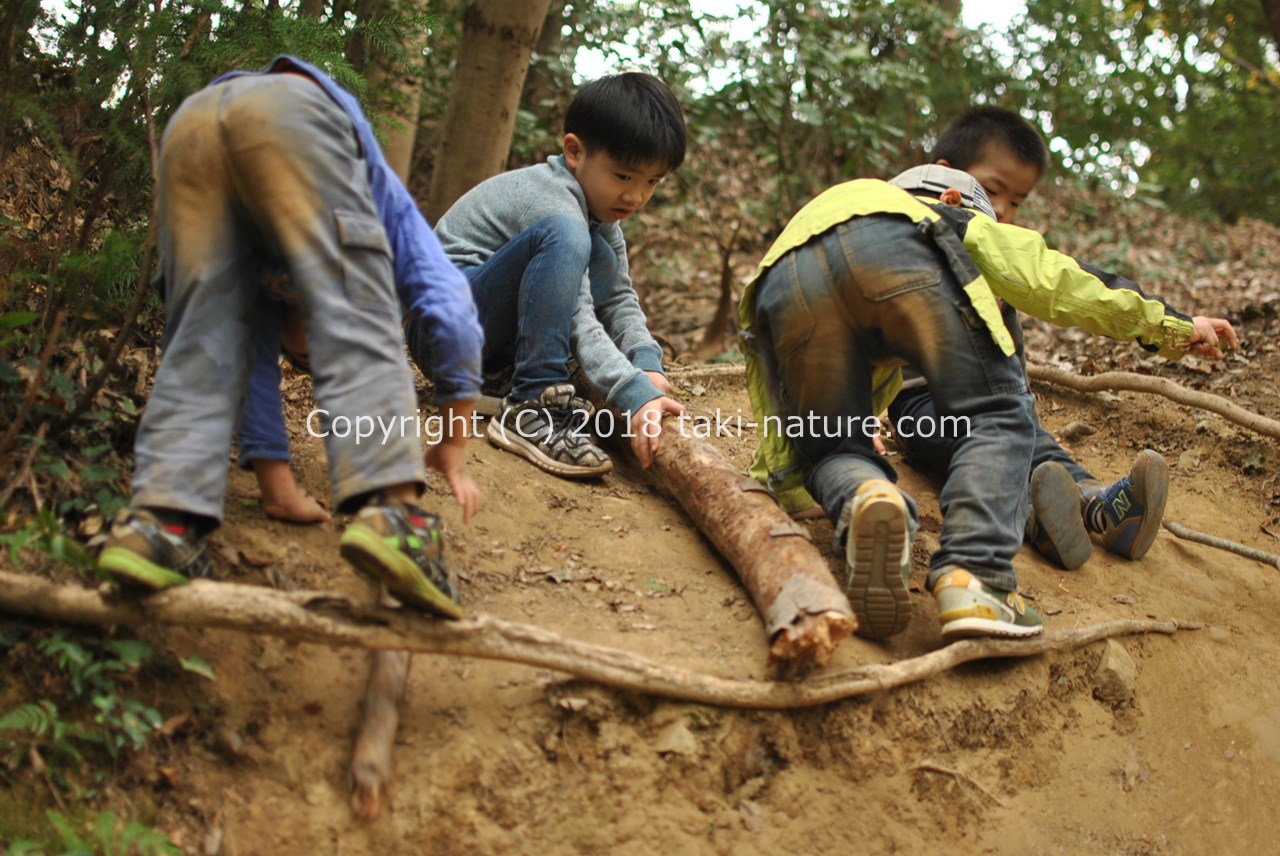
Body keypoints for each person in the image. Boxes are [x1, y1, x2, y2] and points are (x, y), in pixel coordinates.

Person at [739, 164, 1236, 642]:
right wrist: (1167, 325)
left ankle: (869, 497)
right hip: (896, 257)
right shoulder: (938, 216)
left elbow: (781, 390)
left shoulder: (833, 214)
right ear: (954, 201)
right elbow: (1053, 278)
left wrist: (790, 484)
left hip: (779, 275)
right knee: (997, 414)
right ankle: (975, 575)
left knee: (833, 449)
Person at [96, 56, 484, 619]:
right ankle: (396, 518)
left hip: (193, 122)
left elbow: (246, 358)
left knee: (205, 334)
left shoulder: (266, 288)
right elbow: (450, 303)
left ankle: (161, 524)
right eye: (307, 355)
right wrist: (454, 437)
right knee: (355, 302)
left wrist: (278, 489)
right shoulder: (387, 202)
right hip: (293, 113)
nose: (307, 360)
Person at [888, 107, 1214, 570]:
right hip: (921, 407)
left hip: (994, 404)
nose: (1001, 210)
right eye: (992, 190)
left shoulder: (995, 254)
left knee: (1031, 443)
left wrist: (1029, 417)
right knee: (987, 449)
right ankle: (1038, 521)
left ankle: (1102, 508)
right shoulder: (923, 230)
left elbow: (1031, 326)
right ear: (946, 177)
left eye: (1016, 201)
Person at [423, 72, 686, 479]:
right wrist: (632, 392)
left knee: (600, 255)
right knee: (569, 237)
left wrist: (647, 362)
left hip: (482, 339)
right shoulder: (553, 204)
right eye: (623, 177)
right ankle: (532, 404)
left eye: (652, 181)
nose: (636, 197)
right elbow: (578, 315)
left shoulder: (598, 213)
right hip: (441, 330)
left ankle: (500, 378)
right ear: (575, 151)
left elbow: (617, 296)